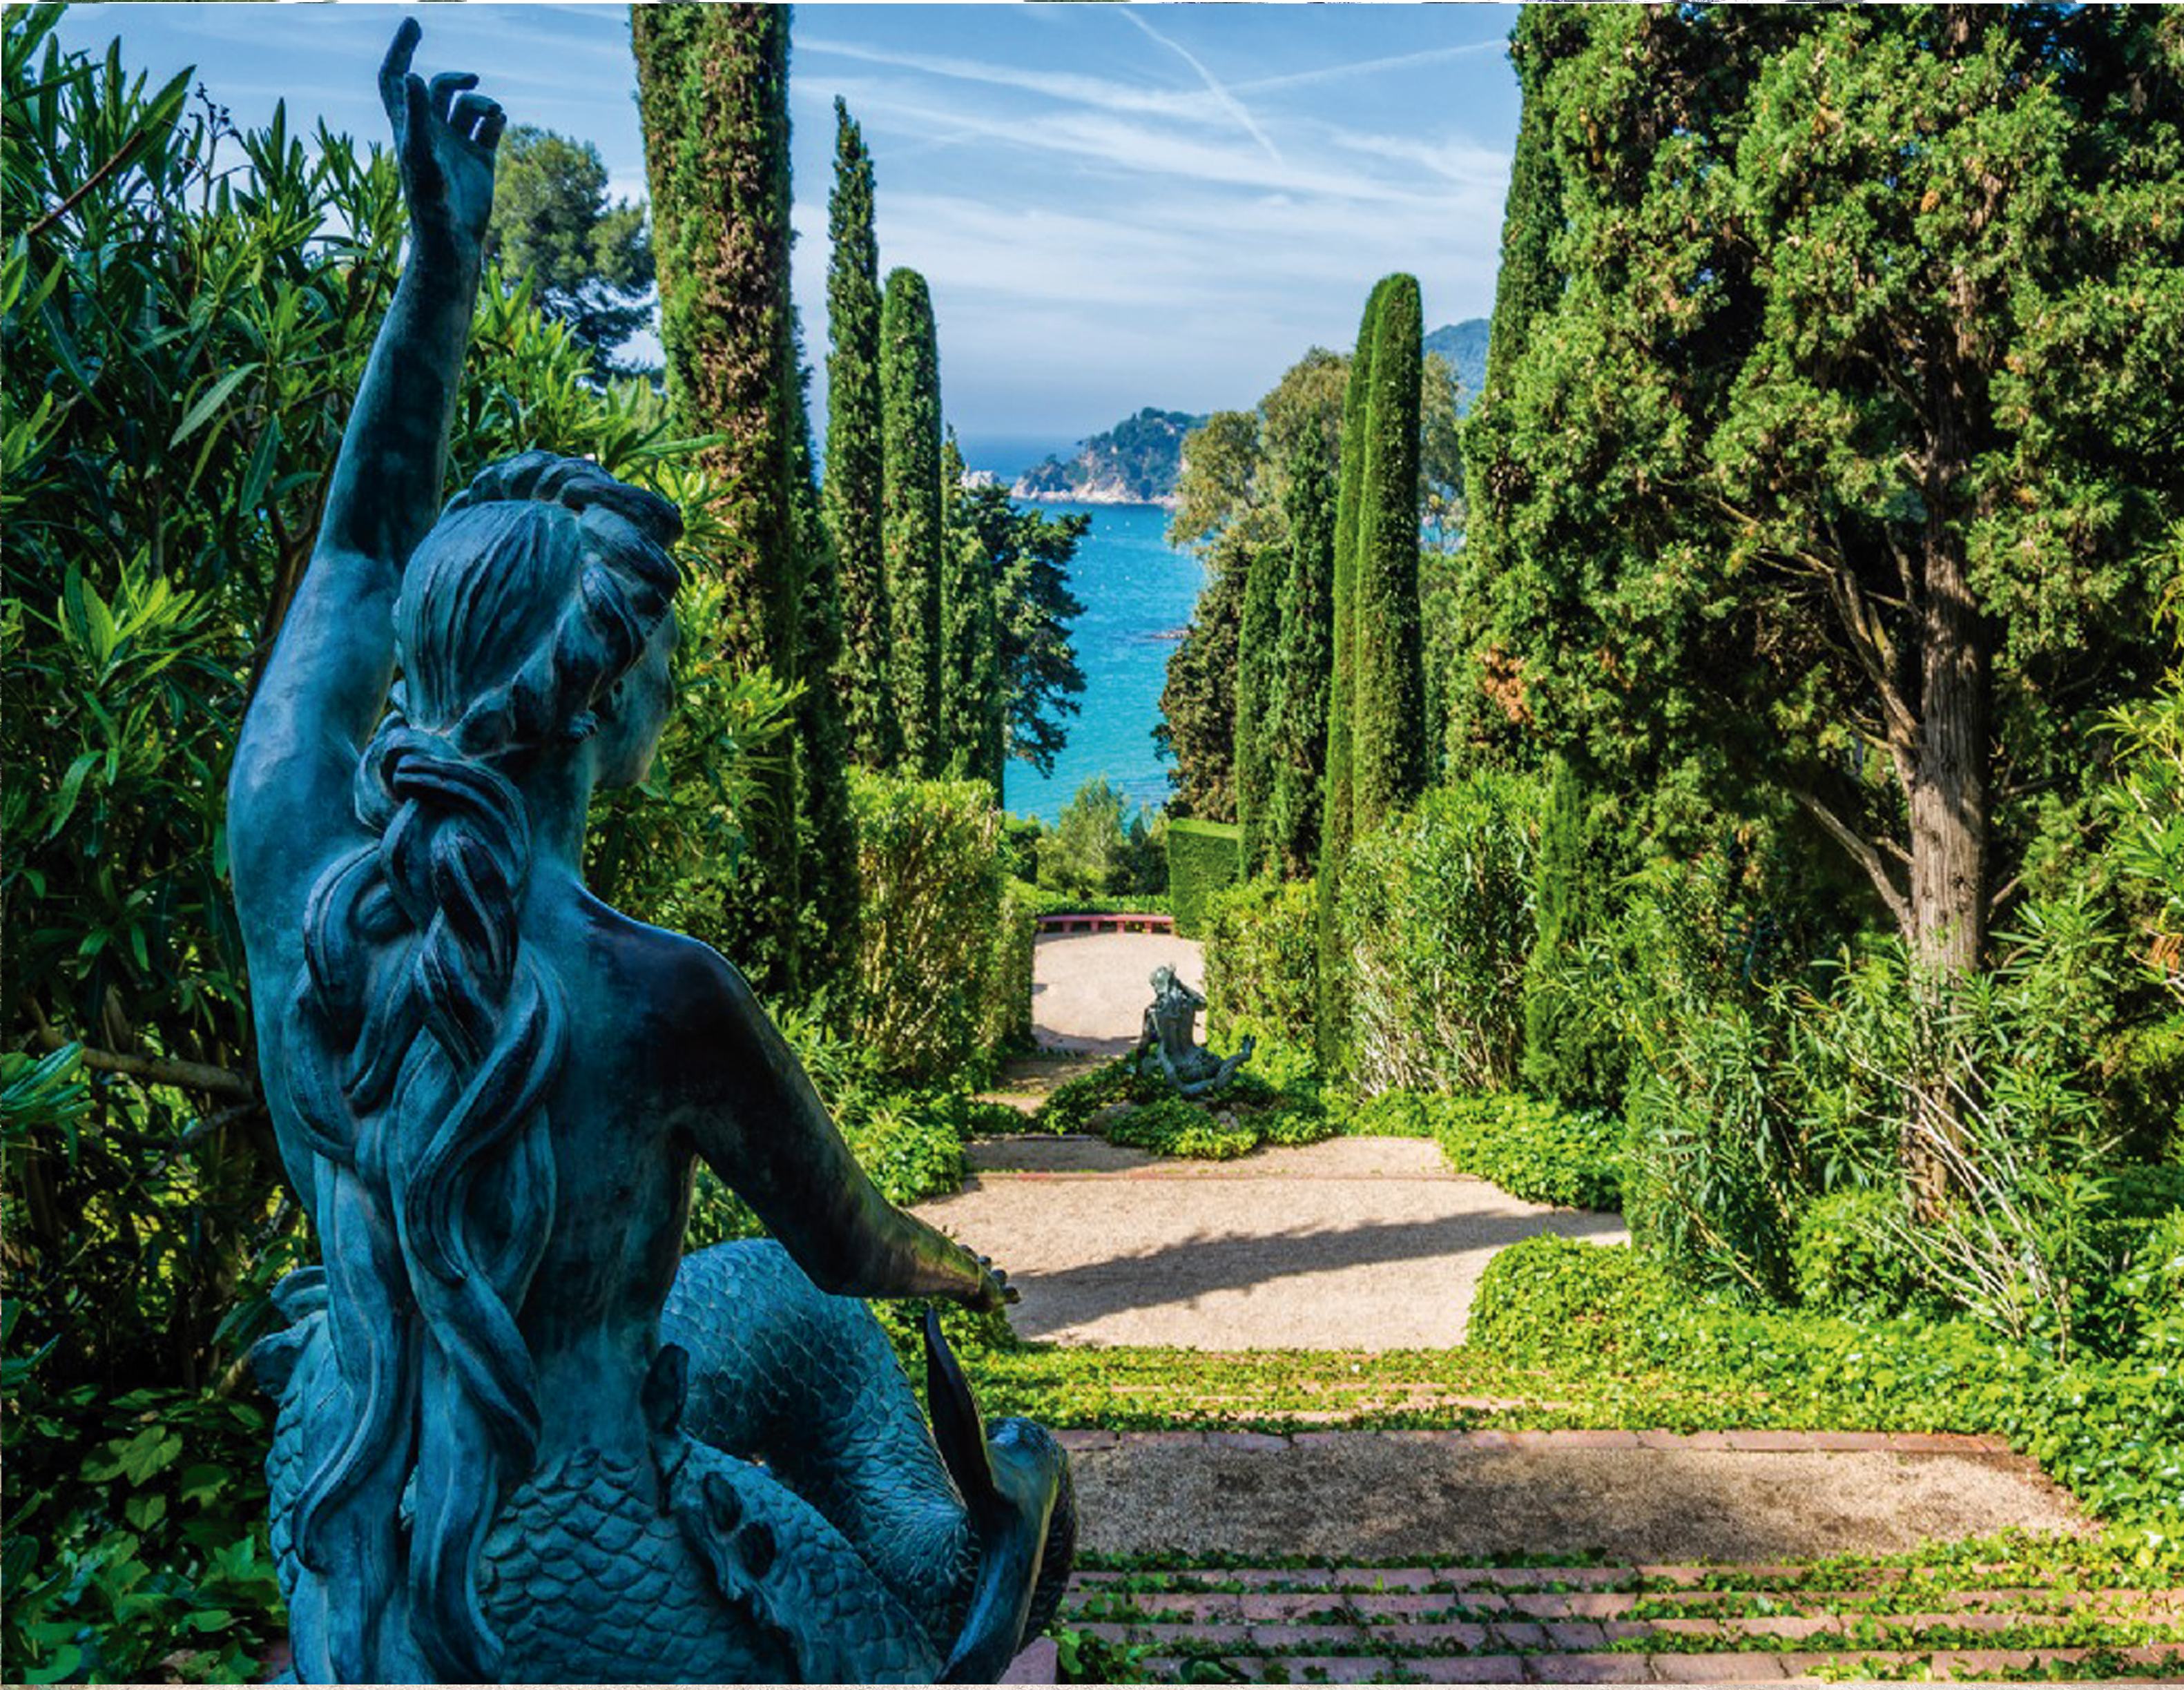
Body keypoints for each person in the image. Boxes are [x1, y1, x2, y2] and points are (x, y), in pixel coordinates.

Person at [229, 23, 1065, 1683]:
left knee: (784, 1320)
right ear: (606, 705)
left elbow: (351, 542)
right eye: (667, 677)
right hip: (561, 1585)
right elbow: (856, 1243)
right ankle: (975, 1561)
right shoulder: (660, 998)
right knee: (886, 1560)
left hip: (347, 1510)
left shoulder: (302, 880)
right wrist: (957, 1271)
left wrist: (441, 269)